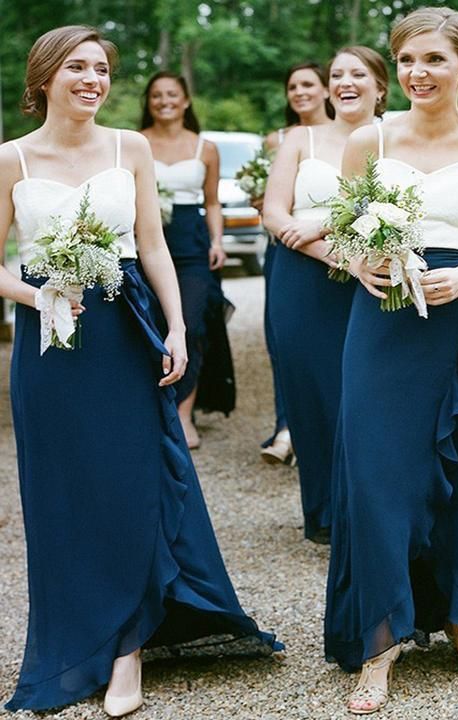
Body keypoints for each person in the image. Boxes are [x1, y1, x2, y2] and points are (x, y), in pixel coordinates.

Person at [0, 26, 280, 715]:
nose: (93, 79)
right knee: (62, 491)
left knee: (130, 483)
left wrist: (178, 327)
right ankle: (73, 638)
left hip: (127, 331)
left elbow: (153, 246)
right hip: (50, 344)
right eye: (78, 68)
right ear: (44, 78)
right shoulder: (11, 158)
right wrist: (38, 296)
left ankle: (127, 647)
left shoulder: (133, 147)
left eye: (101, 68)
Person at [323, 9, 458, 714]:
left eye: (436, 60)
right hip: (382, 328)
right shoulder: (366, 139)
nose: (419, 73)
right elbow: (342, 238)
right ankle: (379, 641)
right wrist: (362, 264)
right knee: (377, 478)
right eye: (408, 59)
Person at [262, 47, 388, 544]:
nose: (345, 83)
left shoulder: (392, 139)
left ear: (381, 87)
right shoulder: (300, 137)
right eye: (337, 75)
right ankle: (325, 511)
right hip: (302, 281)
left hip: (372, 279)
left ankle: (369, 509)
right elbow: (275, 211)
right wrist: (322, 249)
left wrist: (318, 229)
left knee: (362, 394)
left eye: (359, 74)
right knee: (311, 393)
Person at [140, 71, 232, 450]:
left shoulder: (205, 148)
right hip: (146, 237)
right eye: (157, 95)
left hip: (191, 243)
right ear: (148, 101)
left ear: (186, 100)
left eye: (172, 94)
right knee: (151, 323)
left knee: (190, 324)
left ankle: (183, 412)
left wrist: (217, 240)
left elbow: (212, 202)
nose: (165, 101)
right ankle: (151, 409)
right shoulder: (135, 143)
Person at [261, 63, 333, 465]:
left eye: (308, 84)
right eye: (293, 86)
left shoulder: (362, 137)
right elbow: (274, 202)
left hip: (349, 250)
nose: (299, 92)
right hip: (289, 245)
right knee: (285, 344)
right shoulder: (280, 139)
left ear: (325, 90)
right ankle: (288, 427)